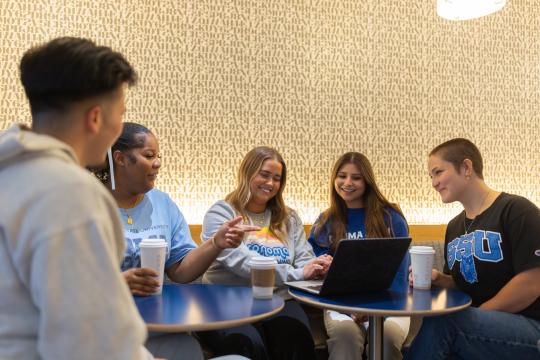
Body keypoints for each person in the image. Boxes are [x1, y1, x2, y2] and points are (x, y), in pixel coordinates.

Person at [0, 37, 153, 359]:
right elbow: (88, 344)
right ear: (96, 118)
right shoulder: (70, 193)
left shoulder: (10, 173)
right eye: (120, 115)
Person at [92, 121, 258, 359]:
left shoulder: (163, 203)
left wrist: (216, 243)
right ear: (120, 159)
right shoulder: (86, 203)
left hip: (163, 327)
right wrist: (115, 284)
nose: (157, 163)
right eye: (149, 156)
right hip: (106, 330)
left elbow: (180, 271)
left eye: (158, 156)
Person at [405, 138, 540, 359]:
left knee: (446, 322)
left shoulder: (516, 210)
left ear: (466, 167)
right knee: (435, 328)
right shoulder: (455, 226)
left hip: (530, 326)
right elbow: (462, 284)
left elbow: (533, 280)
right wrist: (440, 279)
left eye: (438, 172)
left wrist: (474, 316)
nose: (434, 183)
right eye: (431, 176)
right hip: (475, 328)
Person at [199, 146, 332, 360]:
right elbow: (244, 264)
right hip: (226, 302)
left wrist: (317, 266)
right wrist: (299, 273)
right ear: (247, 172)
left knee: (296, 337)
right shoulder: (222, 214)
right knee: (248, 343)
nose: (270, 183)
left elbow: (303, 259)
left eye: (277, 178)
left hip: (279, 300)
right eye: (264, 175)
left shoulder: (288, 218)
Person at [308, 151, 410, 360]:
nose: (347, 182)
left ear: (367, 182)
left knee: (387, 338)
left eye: (356, 177)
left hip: (391, 304)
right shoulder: (325, 221)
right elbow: (316, 271)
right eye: (342, 176)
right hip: (341, 305)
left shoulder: (391, 217)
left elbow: (401, 273)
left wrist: (374, 310)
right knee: (345, 337)